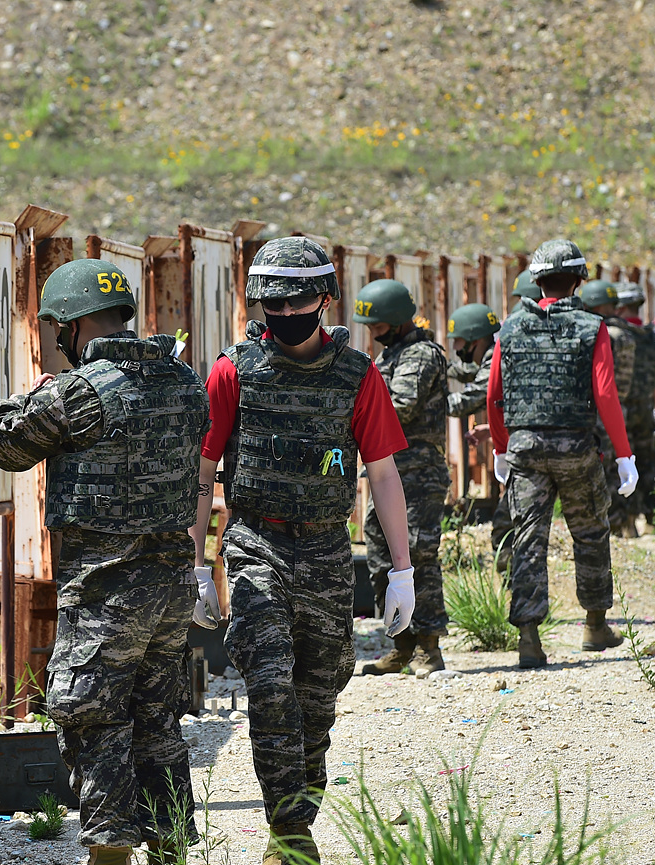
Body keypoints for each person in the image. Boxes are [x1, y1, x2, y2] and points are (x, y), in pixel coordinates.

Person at [190, 237, 413, 864]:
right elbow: (204, 472)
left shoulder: (357, 374)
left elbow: (385, 474)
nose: (284, 314)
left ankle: (299, 807)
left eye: (297, 301)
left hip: (326, 550)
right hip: (256, 542)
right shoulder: (234, 369)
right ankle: (288, 831)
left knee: (321, 688)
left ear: (324, 298)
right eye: (272, 305)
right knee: (268, 684)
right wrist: (196, 566)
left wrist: (402, 571)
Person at [0, 259, 210, 865]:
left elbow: (0, 444)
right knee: (156, 715)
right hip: (170, 585)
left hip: (105, 590)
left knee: (89, 712)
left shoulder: (78, 391)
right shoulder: (183, 380)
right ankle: (170, 845)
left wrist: (32, 394)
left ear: (75, 326)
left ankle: (110, 853)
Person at [488, 239, 635, 669]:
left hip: (525, 448)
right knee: (590, 533)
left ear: (536, 280)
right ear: (579, 281)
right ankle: (594, 626)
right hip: (576, 447)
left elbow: (495, 395)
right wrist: (624, 454)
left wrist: (500, 447)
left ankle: (529, 638)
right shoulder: (593, 327)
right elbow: (605, 393)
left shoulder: (510, 328)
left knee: (528, 539)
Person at [351, 279, 450, 676]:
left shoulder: (421, 355)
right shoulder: (392, 356)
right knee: (379, 557)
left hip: (418, 474)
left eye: (375, 326)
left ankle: (430, 647)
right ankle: (401, 644)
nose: (372, 335)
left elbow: (401, 405)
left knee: (418, 555)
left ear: (394, 321)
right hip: (387, 472)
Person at [445, 303, 513, 571]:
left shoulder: (498, 354)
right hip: (517, 444)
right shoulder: (495, 352)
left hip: (526, 452)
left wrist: (424, 402)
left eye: (458, 340)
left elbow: (474, 397)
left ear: (474, 339)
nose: (456, 347)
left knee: (506, 529)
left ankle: (516, 594)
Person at [579, 280, 638, 537]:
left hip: (604, 411)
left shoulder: (606, 335)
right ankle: (626, 521)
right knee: (620, 469)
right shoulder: (626, 333)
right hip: (620, 407)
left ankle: (611, 526)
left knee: (604, 473)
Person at [615, 282, 655, 518]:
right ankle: (652, 515)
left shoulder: (616, 336)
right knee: (646, 463)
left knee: (624, 462)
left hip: (619, 412)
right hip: (645, 410)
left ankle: (628, 520)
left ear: (620, 307)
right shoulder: (653, 338)